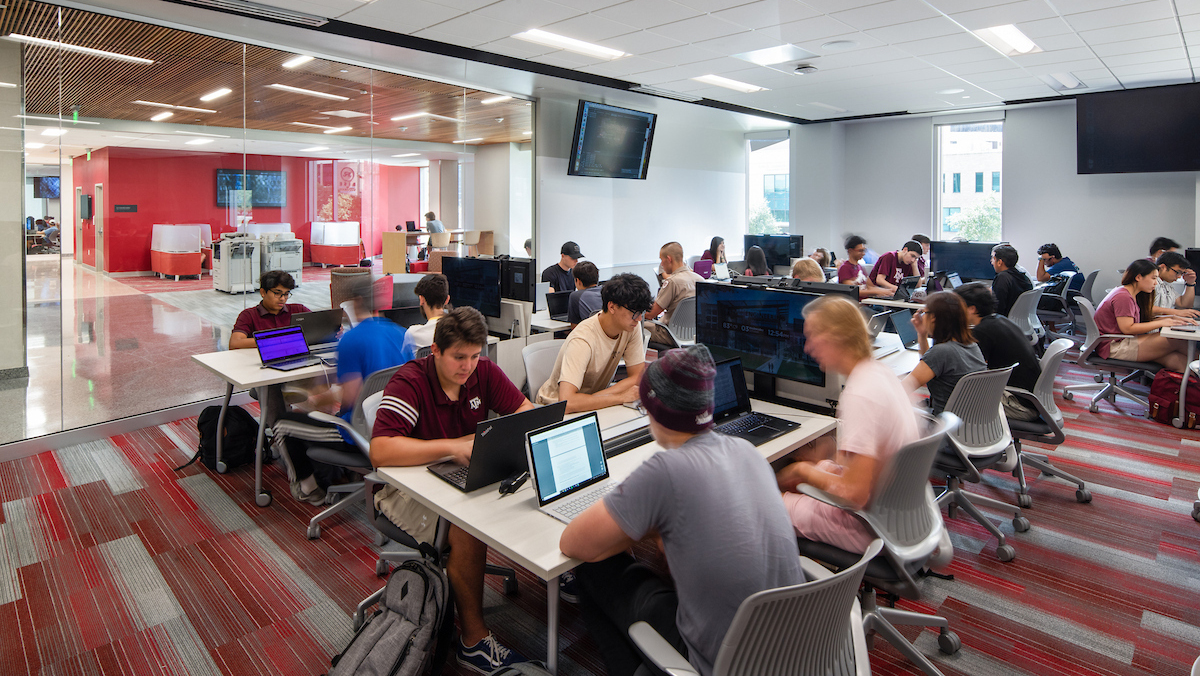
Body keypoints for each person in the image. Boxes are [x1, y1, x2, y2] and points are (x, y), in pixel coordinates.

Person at [560, 345, 804, 676]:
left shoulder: (665, 471)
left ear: (653, 409)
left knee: (592, 570)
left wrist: (642, 523)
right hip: (795, 648)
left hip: (722, 663)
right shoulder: (745, 451)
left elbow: (574, 544)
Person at [370, 307, 534, 673]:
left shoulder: (484, 372)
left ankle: (562, 571)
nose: (468, 366)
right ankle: (473, 642)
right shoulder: (410, 382)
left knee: (525, 487)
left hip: (462, 474)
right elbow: (380, 451)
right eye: (459, 357)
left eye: (475, 356)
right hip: (403, 489)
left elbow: (524, 411)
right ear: (436, 351)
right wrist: (452, 446)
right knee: (467, 525)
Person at [776, 295, 919, 552]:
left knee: (760, 504)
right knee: (819, 466)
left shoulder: (860, 394)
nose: (807, 348)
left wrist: (802, 472)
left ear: (836, 337)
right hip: (897, 512)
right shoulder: (880, 374)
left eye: (812, 337)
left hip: (868, 525)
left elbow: (854, 494)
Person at [272, 273, 407, 504]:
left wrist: (314, 403)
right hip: (397, 427)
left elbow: (350, 397)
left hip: (361, 434)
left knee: (283, 425)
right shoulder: (400, 332)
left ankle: (309, 490)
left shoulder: (352, 340)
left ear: (356, 301)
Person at [536, 273, 650, 413]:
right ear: (612, 307)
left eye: (641, 312)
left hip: (591, 404)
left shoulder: (631, 326)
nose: (639, 318)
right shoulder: (583, 339)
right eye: (634, 312)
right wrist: (619, 396)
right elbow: (568, 402)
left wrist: (599, 397)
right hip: (554, 409)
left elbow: (638, 377)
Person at [955, 283, 1042, 421]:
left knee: (955, 398)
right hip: (1030, 399)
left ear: (971, 309)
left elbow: (970, 371)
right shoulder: (1001, 320)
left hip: (1018, 404)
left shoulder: (983, 331)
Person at [1094, 259, 1194, 373]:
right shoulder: (1123, 296)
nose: (1156, 283)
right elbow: (1127, 328)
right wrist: (1162, 322)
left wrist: (1169, 318)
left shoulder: (1129, 293)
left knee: (1179, 361)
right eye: (1153, 278)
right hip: (1114, 346)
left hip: (1123, 341)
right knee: (1177, 340)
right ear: (1138, 277)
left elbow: (1138, 319)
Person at [902, 291, 986, 414]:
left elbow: (902, 390)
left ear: (934, 317)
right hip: (972, 426)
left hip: (945, 427)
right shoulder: (972, 346)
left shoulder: (942, 352)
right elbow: (932, 364)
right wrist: (922, 334)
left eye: (924, 312)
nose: (922, 316)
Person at [230, 270, 311, 349]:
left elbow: (320, 328)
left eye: (286, 294)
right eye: (277, 293)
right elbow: (235, 343)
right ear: (263, 292)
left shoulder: (298, 310)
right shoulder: (249, 315)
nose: (282, 298)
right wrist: (277, 340)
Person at [647, 242, 704, 345]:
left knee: (634, 327)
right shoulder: (700, 280)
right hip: (694, 334)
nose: (661, 264)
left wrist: (636, 313)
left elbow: (651, 314)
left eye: (661, 260)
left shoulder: (672, 282)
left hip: (670, 334)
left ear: (669, 259)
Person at [399, 273, 449, 361]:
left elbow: (401, 364)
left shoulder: (413, 333)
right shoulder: (460, 329)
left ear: (421, 299)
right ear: (447, 300)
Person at [1153, 252, 1200, 318]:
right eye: (1178, 272)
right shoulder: (1151, 282)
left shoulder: (1167, 284)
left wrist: (1190, 283)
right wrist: (1176, 312)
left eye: (1182, 273)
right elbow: (1145, 308)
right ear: (1163, 267)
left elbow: (1183, 305)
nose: (1179, 276)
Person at [990, 244, 1032, 317]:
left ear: (1000, 262)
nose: (991, 262)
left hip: (1004, 321)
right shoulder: (1022, 276)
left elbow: (998, 306)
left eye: (993, 258)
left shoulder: (1002, 277)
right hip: (1018, 320)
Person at [567, 260, 603, 327]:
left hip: (590, 334)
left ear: (578, 281)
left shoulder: (576, 296)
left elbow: (575, 327)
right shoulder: (606, 291)